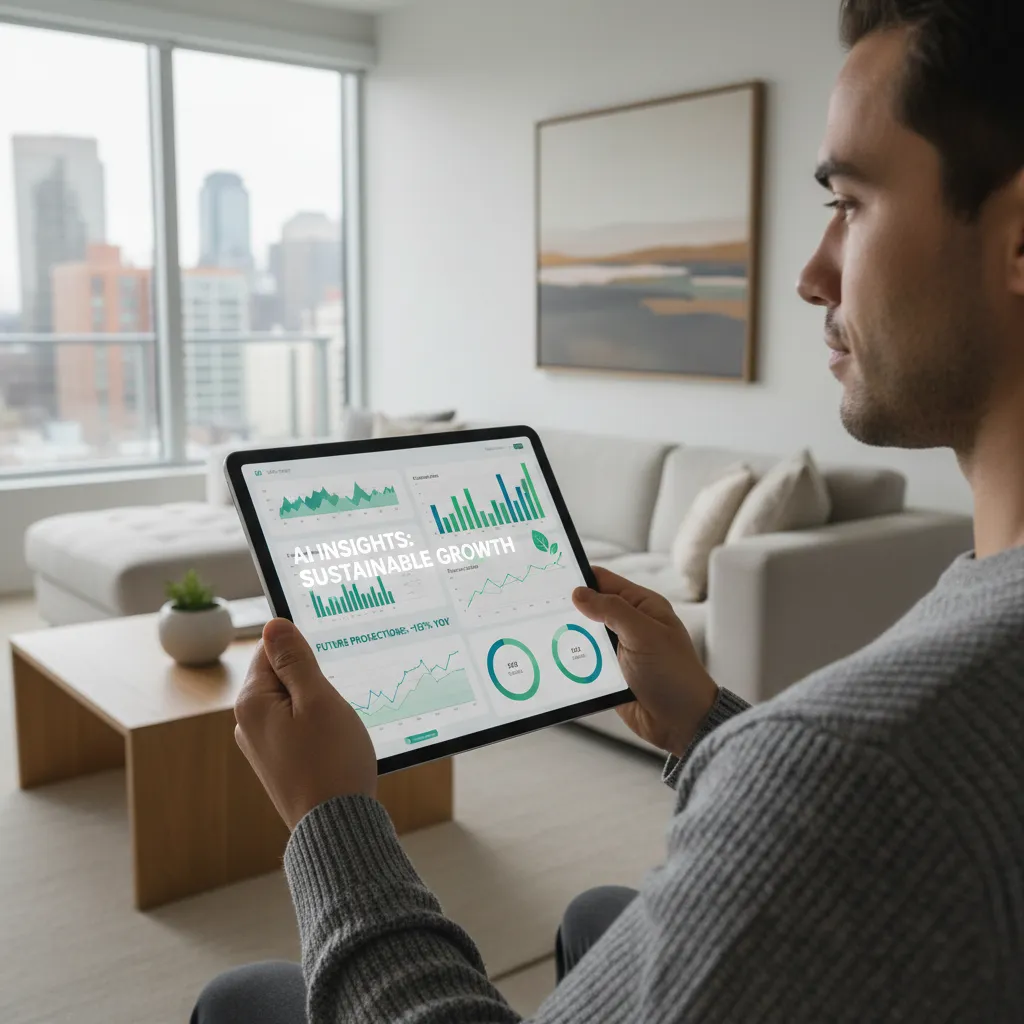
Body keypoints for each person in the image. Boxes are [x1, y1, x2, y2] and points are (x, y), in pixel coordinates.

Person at [193, 0, 1024, 1019]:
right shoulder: (888, 735)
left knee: (247, 997)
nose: (811, 274)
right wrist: (706, 723)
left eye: (848, 203)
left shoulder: (848, 768)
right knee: (597, 913)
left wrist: (330, 820)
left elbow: (847, 799)